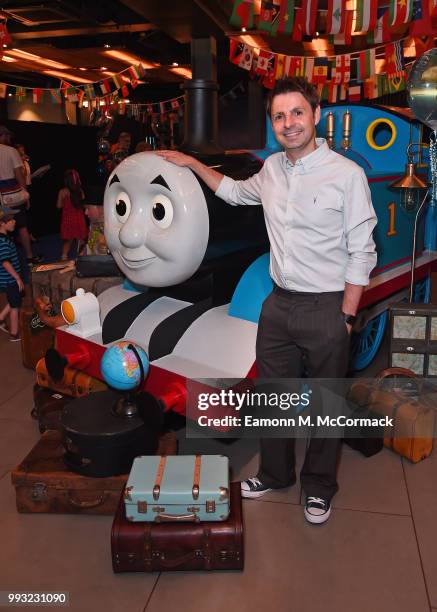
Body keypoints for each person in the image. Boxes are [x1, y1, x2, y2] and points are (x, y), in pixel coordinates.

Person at [156, 77, 377, 525]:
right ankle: (277, 474)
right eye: (280, 116)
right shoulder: (273, 169)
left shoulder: (346, 176)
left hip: (327, 306)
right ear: (273, 124)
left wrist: (347, 317)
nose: (289, 123)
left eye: (297, 113)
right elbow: (236, 193)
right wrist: (192, 163)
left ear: (316, 116)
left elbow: (363, 250)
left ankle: (319, 486)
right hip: (278, 305)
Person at [0, 126, 38, 264]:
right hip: (14, 196)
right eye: (8, 136)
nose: (9, 139)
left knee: (3, 227)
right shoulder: (11, 151)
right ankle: (29, 257)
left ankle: (5, 260)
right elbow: (19, 175)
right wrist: (25, 193)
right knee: (22, 226)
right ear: (3, 136)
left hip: (1, 199)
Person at [0, 207, 24, 341]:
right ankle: (14, 334)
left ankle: (1, 318)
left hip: (9, 278)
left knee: (15, 298)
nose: (14, 222)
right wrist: (17, 278)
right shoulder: (2, 242)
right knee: (15, 305)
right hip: (10, 279)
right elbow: (5, 263)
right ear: (2, 223)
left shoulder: (4, 238)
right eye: (10, 220)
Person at [56, 169, 88, 260]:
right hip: (79, 219)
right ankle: (81, 258)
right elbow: (84, 205)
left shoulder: (62, 192)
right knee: (81, 240)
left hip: (67, 220)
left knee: (68, 241)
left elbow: (58, 206)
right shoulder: (80, 191)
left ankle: (64, 257)